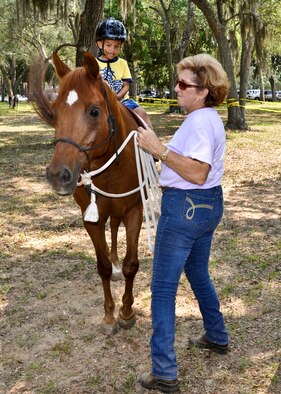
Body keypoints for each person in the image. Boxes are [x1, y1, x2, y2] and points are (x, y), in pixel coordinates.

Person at [137, 53, 230, 393]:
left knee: (162, 289)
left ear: (203, 90)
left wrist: (159, 150)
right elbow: (184, 158)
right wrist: (149, 131)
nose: (176, 89)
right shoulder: (204, 118)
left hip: (185, 210)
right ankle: (217, 335)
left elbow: (197, 171)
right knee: (198, 272)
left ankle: (164, 372)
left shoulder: (201, 122)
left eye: (183, 84)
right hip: (207, 207)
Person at [95, 17, 153, 129]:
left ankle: (150, 142)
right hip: (100, 102)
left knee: (142, 113)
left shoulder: (122, 63)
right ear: (99, 44)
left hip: (123, 100)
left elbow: (126, 85)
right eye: (108, 45)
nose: (112, 50)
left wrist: (116, 97)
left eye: (117, 46)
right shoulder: (94, 63)